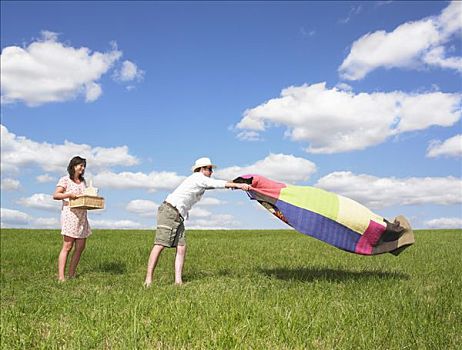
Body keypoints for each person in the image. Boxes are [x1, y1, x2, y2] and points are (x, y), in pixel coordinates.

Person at [144, 157, 251, 286]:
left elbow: (216, 184)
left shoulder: (201, 181)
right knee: (160, 244)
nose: (211, 172)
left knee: (182, 247)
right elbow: (217, 184)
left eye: (211, 169)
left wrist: (235, 184)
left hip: (178, 215)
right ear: (201, 169)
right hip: (169, 211)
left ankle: (178, 282)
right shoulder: (197, 178)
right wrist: (238, 185)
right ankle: (148, 280)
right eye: (209, 169)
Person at [53, 156, 91, 281]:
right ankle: (61, 277)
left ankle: (72, 274)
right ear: (73, 166)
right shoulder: (65, 180)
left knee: (80, 247)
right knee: (67, 246)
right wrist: (68, 194)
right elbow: (56, 195)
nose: (83, 168)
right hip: (70, 215)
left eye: (84, 166)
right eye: (80, 165)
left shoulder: (83, 182)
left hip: (82, 217)